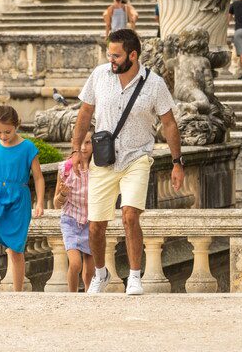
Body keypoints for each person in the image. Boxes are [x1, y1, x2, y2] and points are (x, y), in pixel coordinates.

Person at [69, 28, 184, 296]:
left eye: (116, 56)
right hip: (104, 159)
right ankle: (101, 273)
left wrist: (177, 162)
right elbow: (85, 113)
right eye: (109, 54)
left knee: (130, 215)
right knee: (95, 226)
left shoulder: (154, 83)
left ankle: (134, 276)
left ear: (133, 55)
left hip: (137, 157)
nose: (111, 60)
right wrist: (76, 150)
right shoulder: (99, 75)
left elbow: (169, 123)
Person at [0, 105, 46, 290]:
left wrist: (39, 202)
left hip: (18, 200)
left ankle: (18, 292)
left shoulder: (28, 147)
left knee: (15, 251)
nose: (3, 136)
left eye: (7, 132)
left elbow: (38, 178)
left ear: (17, 126)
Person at [54, 131, 94, 292]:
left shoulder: (98, 168)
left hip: (92, 221)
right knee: (76, 264)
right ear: (73, 142)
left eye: (88, 142)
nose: (83, 148)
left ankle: (89, 296)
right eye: (80, 143)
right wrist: (63, 194)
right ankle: (72, 295)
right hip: (71, 220)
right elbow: (57, 203)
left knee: (90, 270)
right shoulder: (65, 169)